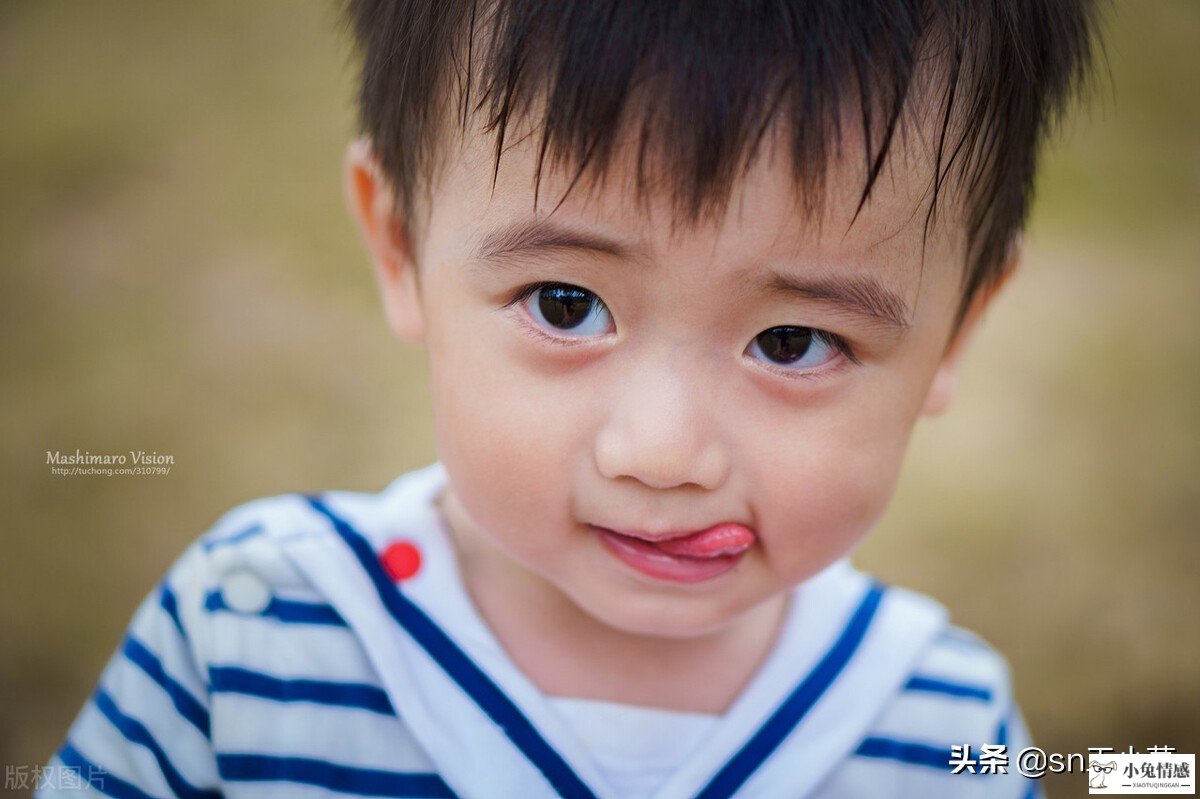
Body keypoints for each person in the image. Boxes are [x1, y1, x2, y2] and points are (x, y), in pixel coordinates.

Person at [37, 1, 1103, 796]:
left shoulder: (948, 736)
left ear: (959, 326)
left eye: (794, 340)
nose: (663, 452)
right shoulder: (254, 634)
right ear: (399, 244)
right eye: (565, 303)